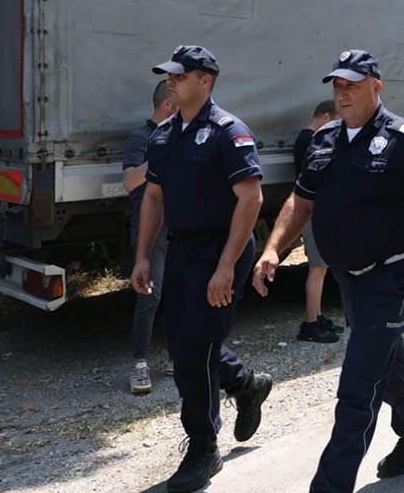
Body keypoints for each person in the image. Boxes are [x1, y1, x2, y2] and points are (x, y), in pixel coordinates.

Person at [254, 49, 404, 491]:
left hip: (393, 273)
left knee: (357, 385)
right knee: (385, 360)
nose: (343, 94)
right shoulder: (324, 140)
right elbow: (300, 201)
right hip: (349, 275)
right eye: (337, 86)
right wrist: (272, 248)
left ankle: (330, 485)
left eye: (353, 85)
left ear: (376, 87)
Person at [132, 46, 272, 493]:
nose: (170, 81)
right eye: (168, 75)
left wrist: (227, 266)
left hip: (221, 249)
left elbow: (251, 199)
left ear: (205, 81)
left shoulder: (228, 132)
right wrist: (141, 255)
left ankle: (203, 446)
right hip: (184, 250)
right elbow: (153, 197)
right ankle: (247, 385)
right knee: (182, 343)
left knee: (197, 347)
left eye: (180, 75)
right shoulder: (164, 135)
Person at [124, 79, 177, 394]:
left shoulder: (182, 137)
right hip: (150, 233)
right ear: (168, 105)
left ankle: (174, 358)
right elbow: (130, 181)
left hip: (179, 229)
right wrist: (158, 157)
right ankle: (139, 365)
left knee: (177, 296)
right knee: (149, 297)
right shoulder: (140, 138)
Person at [293, 100, 342, 343]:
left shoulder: (305, 139)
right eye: (335, 121)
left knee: (321, 268)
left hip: (315, 211)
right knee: (318, 268)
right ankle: (310, 324)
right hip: (314, 213)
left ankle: (318, 315)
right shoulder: (310, 141)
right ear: (324, 116)